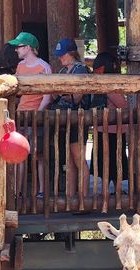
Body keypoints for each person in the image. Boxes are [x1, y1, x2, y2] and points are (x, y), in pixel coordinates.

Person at [8, 31, 52, 200]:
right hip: (21, 115)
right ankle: (17, 192)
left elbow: (47, 95)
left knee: (39, 155)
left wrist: (37, 114)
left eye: (18, 46)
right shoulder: (20, 66)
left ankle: (41, 191)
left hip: (37, 116)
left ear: (28, 47)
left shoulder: (44, 67)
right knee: (19, 154)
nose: (16, 50)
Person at [51, 38, 91, 202]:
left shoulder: (81, 70)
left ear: (72, 53)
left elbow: (77, 97)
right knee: (69, 161)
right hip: (64, 120)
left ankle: (83, 199)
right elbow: (55, 95)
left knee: (78, 159)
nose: (60, 58)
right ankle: (71, 198)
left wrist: (61, 92)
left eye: (63, 54)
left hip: (77, 120)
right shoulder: (63, 71)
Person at [91, 51, 129, 190]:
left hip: (101, 129)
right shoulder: (110, 85)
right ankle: (116, 190)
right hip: (113, 131)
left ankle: (105, 190)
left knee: (104, 162)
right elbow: (123, 105)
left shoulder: (96, 83)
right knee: (114, 162)